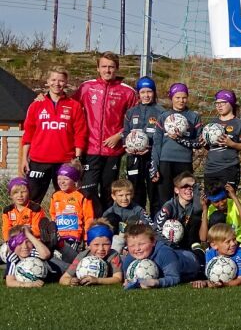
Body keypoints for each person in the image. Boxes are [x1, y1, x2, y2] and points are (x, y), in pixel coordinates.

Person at [73, 52, 138, 212]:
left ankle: (108, 226)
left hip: (113, 151)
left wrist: (120, 135)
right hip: (90, 148)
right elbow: (69, 106)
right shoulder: (86, 87)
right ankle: (93, 225)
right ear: (98, 68)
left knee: (109, 191)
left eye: (111, 67)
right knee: (88, 190)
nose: (107, 70)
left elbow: (136, 119)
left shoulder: (127, 92)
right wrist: (44, 98)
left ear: (116, 68)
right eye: (104, 66)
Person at [19, 65, 87, 203]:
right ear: (48, 81)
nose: (57, 83)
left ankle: (64, 225)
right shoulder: (36, 105)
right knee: (32, 200)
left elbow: (80, 134)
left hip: (65, 162)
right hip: (39, 161)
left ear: (66, 82)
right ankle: (30, 225)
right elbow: (28, 135)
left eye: (61, 80)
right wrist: (24, 159)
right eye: (53, 79)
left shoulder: (74, 105)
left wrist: (77, 158)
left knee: (67, 200)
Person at [151, 83, 202, 206]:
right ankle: (166, 223)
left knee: (185, 197)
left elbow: (198, 143)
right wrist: (155, 166)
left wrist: (181, 139)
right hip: (165, 161)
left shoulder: (194, 117)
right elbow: (157, 143)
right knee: (165, 197)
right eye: (177, 97)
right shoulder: (164, 117)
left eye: (184, 97)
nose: (181, 100)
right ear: (171, 98)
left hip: (184, 162)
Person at [122, 76, 165, 213]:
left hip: (152, 158)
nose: (146, 95)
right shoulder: (131, 112)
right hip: (134, 158)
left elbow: (164, 137)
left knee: (154, 193)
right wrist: (127, 146)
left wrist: (151, 148)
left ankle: (155, 222)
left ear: (154, 92)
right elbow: (126, 133)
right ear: (138, 94)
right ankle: (138, 220)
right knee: (135, 190)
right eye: (143, 92)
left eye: (149, 92)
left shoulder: (161, 112)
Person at [121, 224, 201, 289]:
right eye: (132, 245)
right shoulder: (129, 260)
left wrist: (156, 282)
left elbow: (175, 277)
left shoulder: (165, 254)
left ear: (153, 242)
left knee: (198, 255)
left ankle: (198, 249)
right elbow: (128, 278)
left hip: (191, 260)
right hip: (176, 254)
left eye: (142, 244)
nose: (137, 249)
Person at [203, 90, 241, 191]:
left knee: (228, 200)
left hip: (229, 168)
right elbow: (209, 147)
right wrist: (204, 143)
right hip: (210, 168)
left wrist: (232, 144)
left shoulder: (239, 124)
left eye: (223, 103)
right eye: (217, 103)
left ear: (231, 103)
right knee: (211, 201)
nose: (219, 106)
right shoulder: (212, 123)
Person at [48, 163, 96, 261]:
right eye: (59, 179)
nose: (61, 182)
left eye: (65, 179)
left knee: (69, 259)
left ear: (74, 180)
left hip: (74, 236)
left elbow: (89, 218)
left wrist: (87, 238)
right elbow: (52, 214)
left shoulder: (83, 196)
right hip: (58, 235)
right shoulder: (55, 195)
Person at [59, 221, 124, 286]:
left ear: (111, 244)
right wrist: (71, 281)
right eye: (96, 244)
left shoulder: (113, 255)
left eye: (106, 244)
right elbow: (63, 279)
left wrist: (97, 280)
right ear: (88, 245)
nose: (101, 249)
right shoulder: (82, 256)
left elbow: (118, 279)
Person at [153, 171, 205, 250]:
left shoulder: (198, 204)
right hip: (169, 244)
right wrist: (168, 245)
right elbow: (156, 229)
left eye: (193, 186)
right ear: (177, 190)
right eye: (185, 186)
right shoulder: (169, 206)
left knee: (196, 217)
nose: (189, 189)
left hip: (190, 243)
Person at [103, 179, 153, 252]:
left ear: (132, 194)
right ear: (113, 196)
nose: (124, 198)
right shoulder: (109, 212)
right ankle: (114, 249)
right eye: (121, 195)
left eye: (128, 195)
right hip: (115, 240)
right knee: (110, 218)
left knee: (134, 219)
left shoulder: (138, 209)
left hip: (133, 238)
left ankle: (129, 247)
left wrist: (142, 224)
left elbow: (149, 223)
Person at [199, 184, 241, 248]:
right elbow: (203, 238)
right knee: (217, 217)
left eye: (223, 199)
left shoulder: (234, 203)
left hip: (237, 242)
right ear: (211, 202)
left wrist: (234, 197)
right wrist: (205, 209)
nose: (221, 203)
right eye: (216, 202)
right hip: (219, 245)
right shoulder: (209, 209)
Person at [2, 177, 48, 242]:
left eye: (23, 192)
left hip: (32, 241)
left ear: (29, 193)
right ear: (10, 195)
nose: (20, 195)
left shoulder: (35, 209)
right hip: (13, 241)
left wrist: (18, 233)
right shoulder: (7, 211)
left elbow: (37, 230)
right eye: (16, 192)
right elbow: (6, 231)